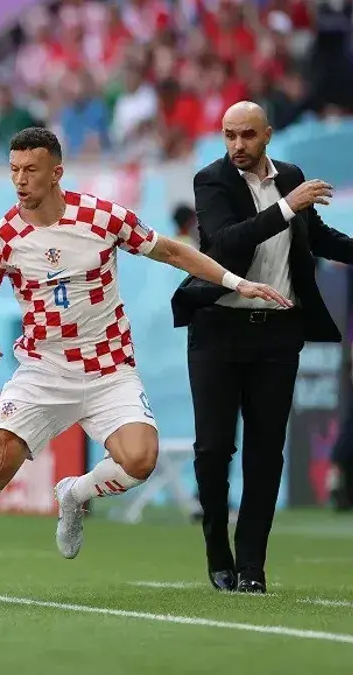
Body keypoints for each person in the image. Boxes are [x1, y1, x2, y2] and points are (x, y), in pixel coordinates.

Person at [0, 127, 291, 604]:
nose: (20, 180)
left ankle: (75, 494)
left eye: (30, 170)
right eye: (14, 170)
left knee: (141, 460)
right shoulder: (3, 237)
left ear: (56, 172)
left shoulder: (101, 216)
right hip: (44, 370)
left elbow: (171, 251)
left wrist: (236, 282)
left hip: (110, 367)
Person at [171, 101, 353, 593]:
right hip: (218, 329)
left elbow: (315, 237)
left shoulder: (290, 176)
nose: (237, 145)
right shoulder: (211, 181)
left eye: (247, 135)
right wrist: (288, 206)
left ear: (267, 134)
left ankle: (252, 565)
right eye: (229, 135)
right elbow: (225, 241)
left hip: (276, 333)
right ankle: (218, 552)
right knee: (213, 450)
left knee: (266, 453)